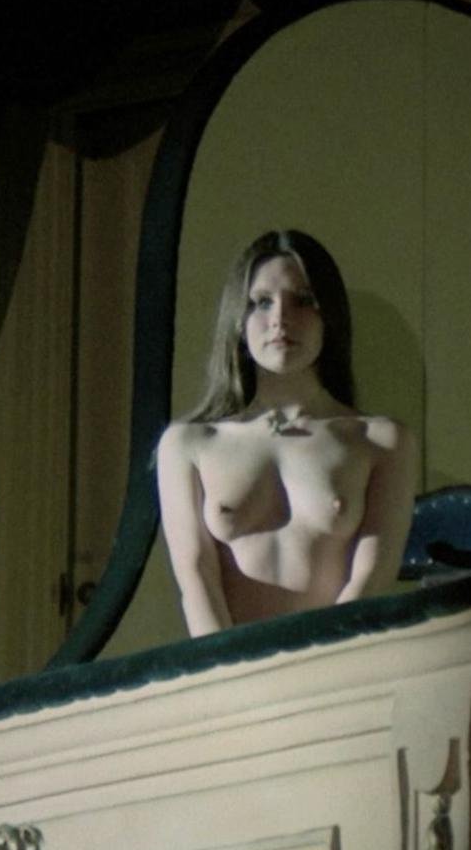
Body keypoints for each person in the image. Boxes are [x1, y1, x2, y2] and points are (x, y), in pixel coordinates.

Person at [156, 230, 417, 636]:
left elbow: (372, 577)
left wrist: (324, 663)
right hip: (228, 666)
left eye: (303, 300)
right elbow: (195, 574)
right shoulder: (188, 444)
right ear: (238, 320)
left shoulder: (380, 441)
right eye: (262, 302)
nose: (280, 318)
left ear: (329, 316)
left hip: (341, 662)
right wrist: (224, 667)